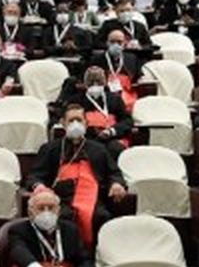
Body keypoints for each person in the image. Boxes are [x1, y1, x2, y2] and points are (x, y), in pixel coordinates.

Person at [27, 105, 127, 245]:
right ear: (63, 123)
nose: (75, 124)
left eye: (79, 120)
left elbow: (114, 173)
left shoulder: (99, 149)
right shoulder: (50, 148)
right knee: (63, 217)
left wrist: (116, 183)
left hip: (93, 199)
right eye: (71, 120)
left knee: (101, 217)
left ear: (86, 123)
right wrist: (39, 186)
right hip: (61, 199)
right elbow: (35, 176)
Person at [5, 188, 95, 267]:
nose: (46, 212)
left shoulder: (71, 230)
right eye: (40, 208)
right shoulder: (18, 230)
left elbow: (87, 262)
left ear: (58, 210)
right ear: (30, 212)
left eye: (51, 207)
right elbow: (19, 251)